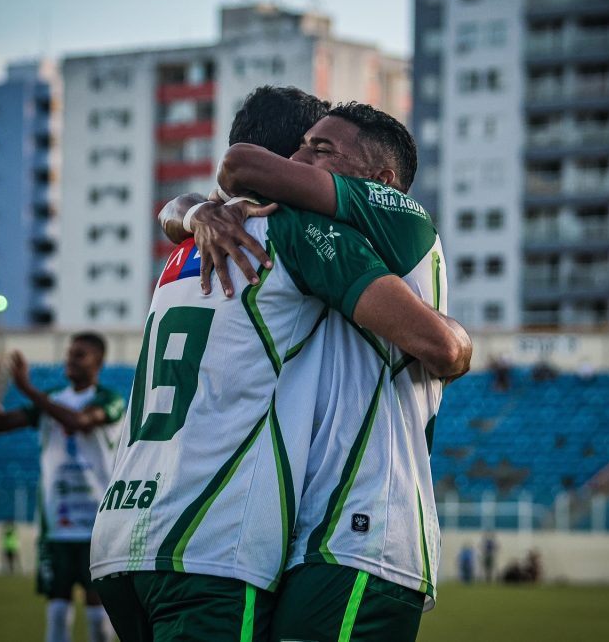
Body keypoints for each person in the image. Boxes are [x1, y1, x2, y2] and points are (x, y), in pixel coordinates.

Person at [90, 89, 469, 642]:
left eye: (320, 151)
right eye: (301, 149)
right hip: (227, 538)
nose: (301, 163)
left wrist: (193, 209)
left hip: (148, 529)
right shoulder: (288, 234)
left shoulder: (192, 250)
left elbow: (443, 349)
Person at [0, 333, 124, 642]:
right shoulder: (52, 398)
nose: (70, 359)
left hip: (96, 526)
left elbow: (81, 422)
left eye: (80, 355)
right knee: (56, 614)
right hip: (57, 525)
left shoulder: (110, 399)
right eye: (70, 353)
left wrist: (28, 389)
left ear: (98, 362)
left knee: (99, 617)